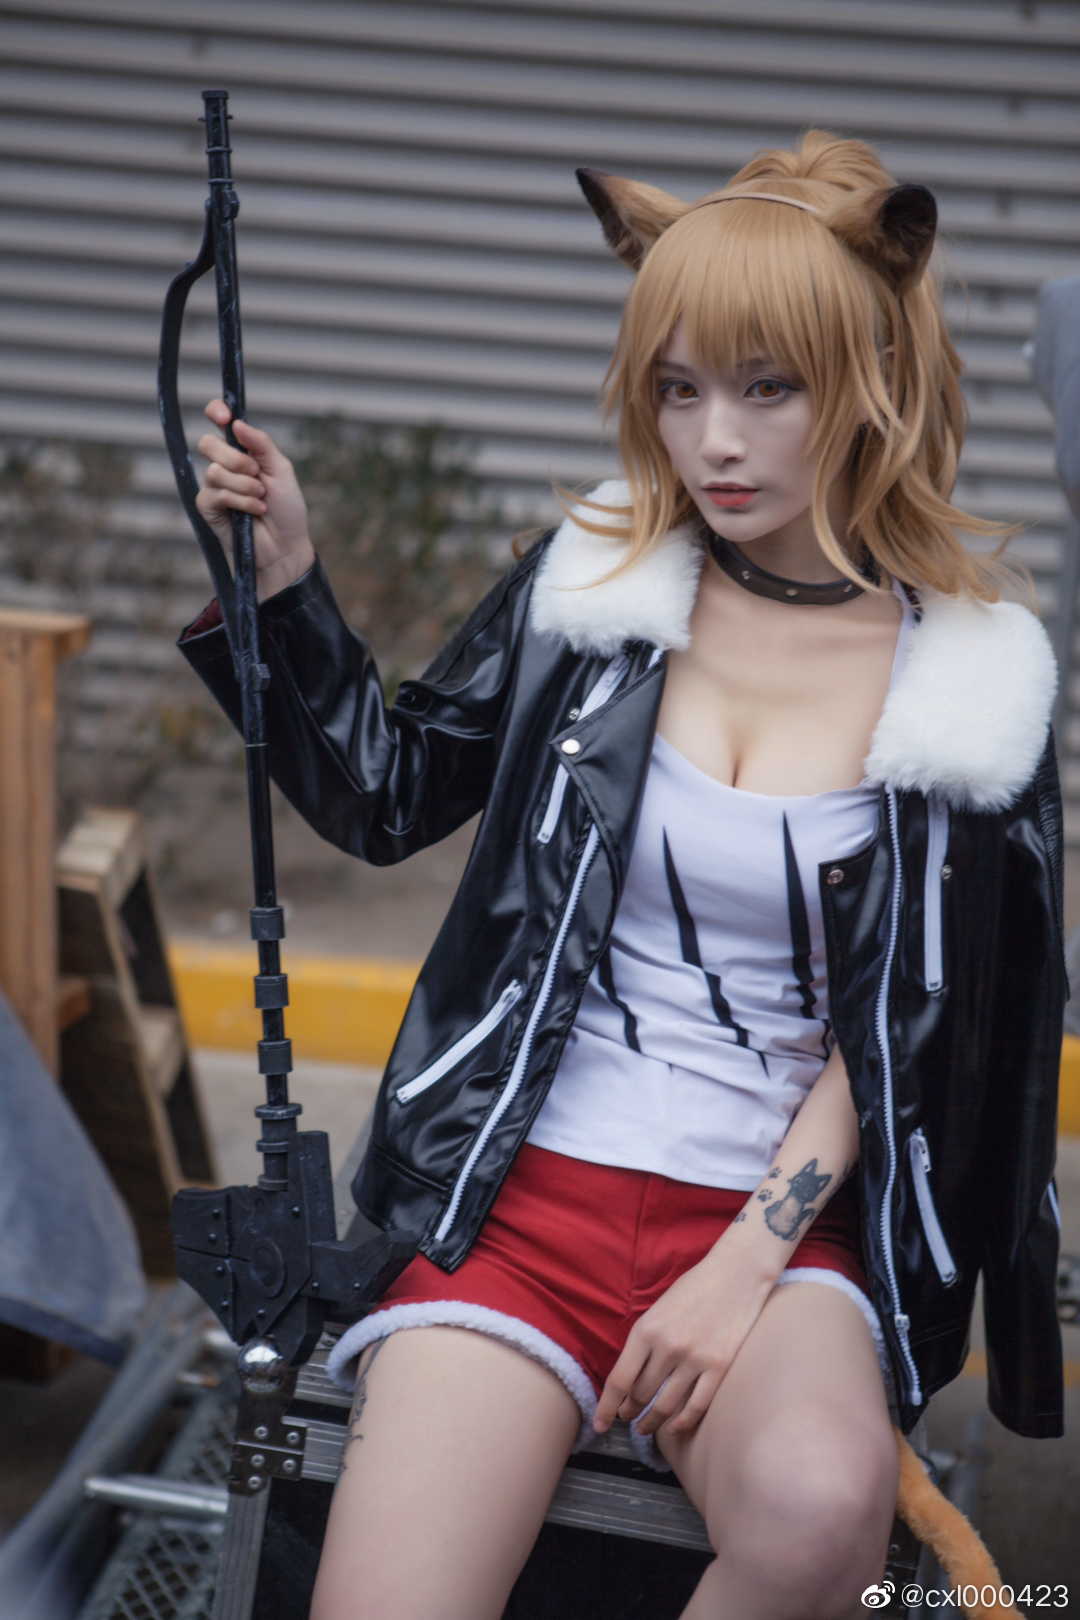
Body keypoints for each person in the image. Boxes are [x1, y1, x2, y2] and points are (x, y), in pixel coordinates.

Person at [185, 131, 1064, 1620]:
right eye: (679, 388)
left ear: (871, 379)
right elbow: (389, 794)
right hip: (521, 1197)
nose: (714, 441)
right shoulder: (595, 590)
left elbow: (924, 1027)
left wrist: (743, 1265)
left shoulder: (973, 685)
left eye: (768, 388)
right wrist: (287, 586)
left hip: (781, 1235)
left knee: (820, 1513)